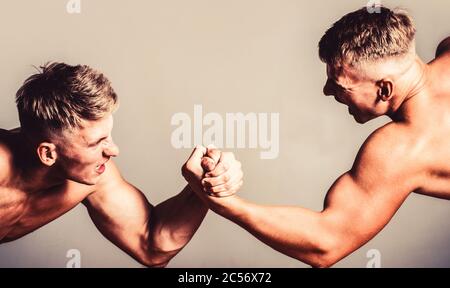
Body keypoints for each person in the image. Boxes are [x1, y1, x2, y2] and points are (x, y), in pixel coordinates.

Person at [197, 6, 450, 267]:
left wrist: (228, 205)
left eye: (340, 86)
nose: (327, 91)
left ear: (384, 89)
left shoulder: (402, 151)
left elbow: (326, 242)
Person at [0, 62, 243, 267]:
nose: (114, 150)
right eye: (97, 143)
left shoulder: (93, 178)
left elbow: (151, 246)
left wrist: (204, 184)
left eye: (109, 137)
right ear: (48, 154)